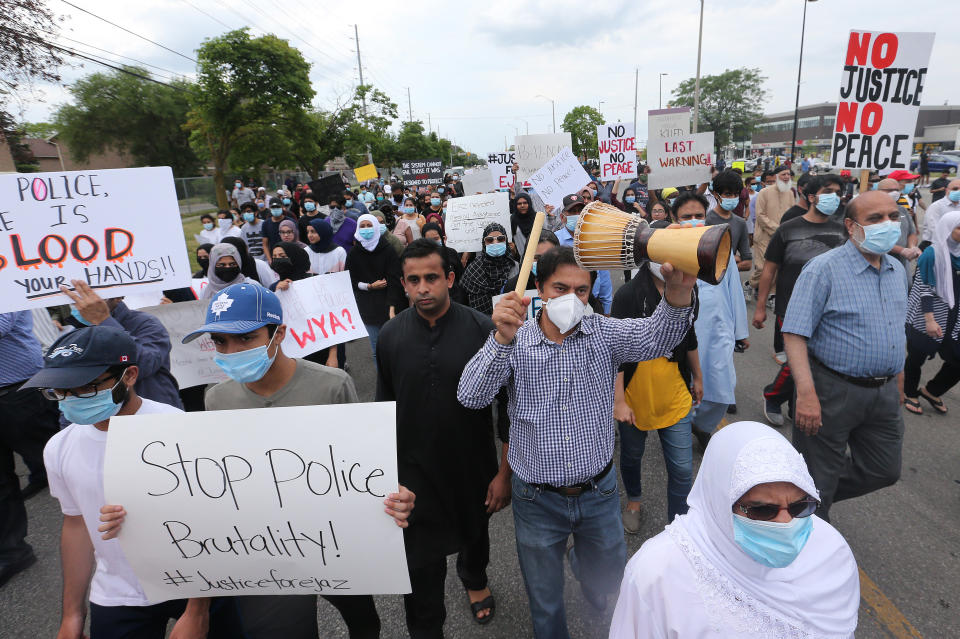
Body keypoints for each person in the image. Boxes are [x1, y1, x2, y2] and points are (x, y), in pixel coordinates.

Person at [457, 246, 696, 639]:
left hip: (598, 492)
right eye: (560, 287)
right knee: (546, 602)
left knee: (608, 576)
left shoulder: (604, 333)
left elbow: (656, 337)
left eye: (581, 290)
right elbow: (471, 396)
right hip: (536, 499)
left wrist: (678, 294)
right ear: (539, 287)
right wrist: (500, 339)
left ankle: (584, 566)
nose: (571, 298)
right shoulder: (514, 340)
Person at [150, 283, 414, 639]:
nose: (231, 350)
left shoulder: (332, 385)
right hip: (266, 546)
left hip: (334, 539)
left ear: (280, 334)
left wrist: (390, 493)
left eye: (246, 338)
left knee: (363, 622)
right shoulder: (217, 399)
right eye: (220, 341)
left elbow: (362, 464)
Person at [25, 326, 243, 637]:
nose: (70, 399)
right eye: (59, 391)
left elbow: (212, 518)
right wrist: (72, 615)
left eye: (85, 388)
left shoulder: (179, 429)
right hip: (117, 593)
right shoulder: (59, 447)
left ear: (129, 376)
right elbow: (76, 524)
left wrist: (198, 609)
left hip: (194, 583)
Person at [609, 422, 859, 639]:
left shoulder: (831, 553)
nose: (786, 522)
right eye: (763, 510)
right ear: (719, 502)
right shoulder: (658, 575)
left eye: (800, 506)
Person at [378, 240, 510, 635]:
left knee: (474, 533)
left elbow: (508, 409)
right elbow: (382, 410)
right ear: (403, 284)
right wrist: (385, 477)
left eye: (431, 278)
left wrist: (504, 474)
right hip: (413, 475)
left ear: (449, 279)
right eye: (413, 280)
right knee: (420, 578)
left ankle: (474, 579)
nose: (423, 288)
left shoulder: (483, 329)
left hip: (472, 465)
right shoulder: (389, 336)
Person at [782, 190, 907, 520]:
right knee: (818, 477)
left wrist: (899, 384)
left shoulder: (896, 269)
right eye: (875, 218)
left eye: (893, 216)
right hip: (831, 389)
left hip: (883, 394)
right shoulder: (823, 270)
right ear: (851, 227)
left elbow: (896, 331)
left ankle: (802, 500)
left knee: (884, 470)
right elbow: (794, 333)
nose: (888, 224)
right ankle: (808, 533)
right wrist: (806, 394)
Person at [612, 258, 700, 530]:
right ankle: (634, 501)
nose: (668, 263)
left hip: (675, 395)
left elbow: (690, 335)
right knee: (631, 455)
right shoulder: (628, 295)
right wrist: (619, 400)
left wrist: (698, 376)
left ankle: (679, 526)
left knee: (683, 470)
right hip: (635, 397)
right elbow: (615, 349)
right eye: (659, 255)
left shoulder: (689, 290)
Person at [753, 174, 848, 426]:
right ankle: (772, 396)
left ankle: (797, 402)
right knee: (801, 356)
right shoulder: (788, 228)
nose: (833, 197)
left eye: (838, 192)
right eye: (828, 191)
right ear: (811, 196)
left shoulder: (844, 230)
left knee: (818, 358)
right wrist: (760, 307)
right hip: (792, 304)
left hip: (831, 306)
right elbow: (769, 270)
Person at [0, 312, 60, 587]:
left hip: (18, 392)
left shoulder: (5, 280)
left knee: (63, 463)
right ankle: (12, 552)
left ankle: (123, 528)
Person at [60, 280, 183, 410]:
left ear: (118, 297)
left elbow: (145, 364)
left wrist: (103, 321)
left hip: (151, 416)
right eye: (75, 299)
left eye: (93, 297)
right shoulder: (74, 334)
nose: (83, 304)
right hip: (99, 420)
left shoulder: (146, 323)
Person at [902, 210, 960, 416]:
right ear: (947, 229)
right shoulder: (932, 253)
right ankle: (909, 392)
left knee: (957, 359)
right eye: (958, 228)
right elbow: (924, 287)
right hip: (927, 314)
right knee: (916, 356)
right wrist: (929, 320)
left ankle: (932, 390)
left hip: (955, 316)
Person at [345, 214, 405, 360]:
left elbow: (394, 280)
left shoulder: (388, 250)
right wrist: (369, 286)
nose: (366, 229)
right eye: (362, 226)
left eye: (369, 225)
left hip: (389, 305)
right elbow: (351, 281)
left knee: (395, 348)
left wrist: (392, 308)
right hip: (368, 308)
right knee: (376, 350)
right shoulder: (354, 254)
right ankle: (382, 381)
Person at [555, 194, 614, 313]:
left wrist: (606, 311)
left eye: (580, 211)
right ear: (562, 217)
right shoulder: (555, 240)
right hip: (563, 306)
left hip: (592, 304)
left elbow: (604, 279)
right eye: (572, 212)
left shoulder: (595, 240)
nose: (577, 215)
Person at [750, 165, 797, 296]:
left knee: (776, 267)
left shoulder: (790, 193)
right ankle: (750, 284)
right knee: (762, 268)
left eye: (788, 174)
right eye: (783, 174)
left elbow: (793, 213)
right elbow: (760, 215)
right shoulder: (764, 192)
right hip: (764, 236)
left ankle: (771, 295)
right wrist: (777, 229)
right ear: (776, 176)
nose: (787, 177)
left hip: (783, 237)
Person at [461, 222, 518, 315]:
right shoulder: (473, 270)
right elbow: (463, 303)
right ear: (484, 243)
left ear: (506, 240)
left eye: (500, 239)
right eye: (490, 240)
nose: (495, 243)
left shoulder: (516, 267)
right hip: (480, 325)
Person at [706, 170, 752, 272]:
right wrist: (733, 260)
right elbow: (705, 260)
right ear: (716, 195)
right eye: (728, 194)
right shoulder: (706, 221)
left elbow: (747, 263)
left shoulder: (740, 223)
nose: (733, 198)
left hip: (732, 282)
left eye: (736, 194)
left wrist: (726, 264)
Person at [421, 222, 466, 304]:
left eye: (436, 239)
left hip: (455, 300)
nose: (433, 242)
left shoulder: (451, 253)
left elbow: (461, 278)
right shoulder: (420, 259)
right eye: (429, 240)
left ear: (442, 238)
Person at [921, 178, 960, 246]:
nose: (958, 191)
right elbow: (935, 230)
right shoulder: (936, 207)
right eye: (955, 189)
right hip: (934, 245)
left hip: (955, 246)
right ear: (947, 190)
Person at [511, 192, 537, 258]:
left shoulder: (537, 217)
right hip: (522, 259)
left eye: (525, 203)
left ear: (529, 203)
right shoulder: (512, 220)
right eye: (519, 204)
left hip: (539, 256)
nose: (522, 205)